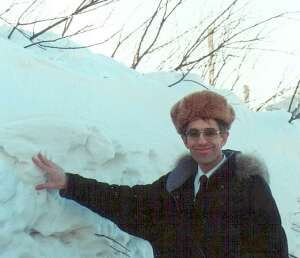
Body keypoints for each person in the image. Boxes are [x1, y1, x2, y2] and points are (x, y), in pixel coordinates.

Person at [32, 90, 288, 258]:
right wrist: (69, 182)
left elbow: (272, 248)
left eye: (210, 132)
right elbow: (126, 201)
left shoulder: (248, 185)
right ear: (185, 140)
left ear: (224, 136)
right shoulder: (177, 184)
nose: (202, 141)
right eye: (193, 133)